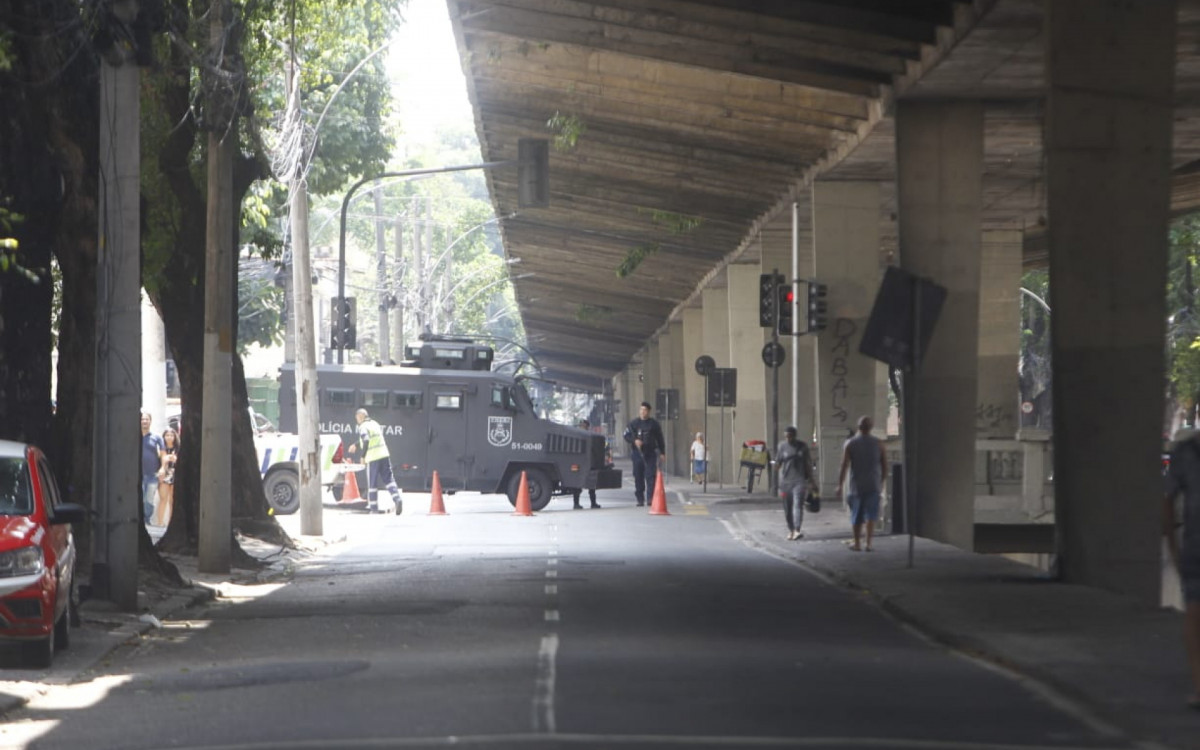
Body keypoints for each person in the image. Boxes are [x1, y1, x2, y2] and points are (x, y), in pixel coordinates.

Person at [1163, 428, 1200, 710]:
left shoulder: (1186, 452)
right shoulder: (1186, 453)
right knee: (1194, 615)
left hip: (1193, 547)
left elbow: (1167, 500)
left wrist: (1173, 543)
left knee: (1194, 615)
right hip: (1195, 549)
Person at [836, 416, 887, 552]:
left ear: (858, 427)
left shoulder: (850, 443)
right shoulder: (879, 443)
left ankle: (857, 543)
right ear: (871, 427)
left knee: (856, 515)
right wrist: (881, 482)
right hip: (873, 484)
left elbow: (844, 465)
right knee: (871, 515)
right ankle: (868, 544)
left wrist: (840, 484)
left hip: (856, 486)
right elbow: (884, 465)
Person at [347, 408, 402, 514]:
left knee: (372, 484)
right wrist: (356, 445)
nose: (357, 420)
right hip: (384, 455)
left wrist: (363, 456)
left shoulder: (363, 426)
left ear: (361, 416)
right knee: (389, 480)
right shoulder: (375, 424)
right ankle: (397, 499)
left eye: (357, 418)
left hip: (373, 458)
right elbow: (369, 438)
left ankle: (374, 509)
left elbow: (366, 439)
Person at [776, 426, 814, 541]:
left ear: (794, 435)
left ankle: (797, 529)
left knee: (798, 505)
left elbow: (808, 464)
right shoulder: (782, 446)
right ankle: (791, 529)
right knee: (787, 508)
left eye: (790, 436)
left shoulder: (803, 446)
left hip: (799, 480)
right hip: (786, 482)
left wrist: (811, 480)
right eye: (786, 436)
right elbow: (778, 463)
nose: (788, 439)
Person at [623, 401, 665, 507]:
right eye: (641, 409)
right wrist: (634, 440)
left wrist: (662, 452)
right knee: (638, 476)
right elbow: (626, 435)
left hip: (650, 453)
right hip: (637, 453)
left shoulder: (654, 424)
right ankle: (640, 499)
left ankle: (650, 498)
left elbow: (660, 438)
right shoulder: (633, 424)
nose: (643, 412)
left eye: (645, 410)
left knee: (650, 476)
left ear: (649, 411)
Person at [571, 419, 601, 509]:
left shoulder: (588, 436)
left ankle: (593, 503)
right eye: (581, 426)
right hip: (580, 463)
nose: (582, 427)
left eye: (584, 426)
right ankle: (576, 503)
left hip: (588, 463)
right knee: (577, 485)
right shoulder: (578, 436)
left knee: (591, 484)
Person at [140, 412, 165, 523]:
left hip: (152, 475)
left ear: (150, 421)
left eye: (147, 419)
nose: (144, 421)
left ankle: (147, 519)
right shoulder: (135, 436)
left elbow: (163, 454)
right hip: (138, 475)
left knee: (149, 500)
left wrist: (163, 468)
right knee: (139, 499)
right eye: (142, 419)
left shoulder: (157, 437)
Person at [153, 427, 180, 527]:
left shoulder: (178, 448)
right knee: (163, 499)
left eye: (171, 435)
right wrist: (167, 458)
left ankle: (170, 523)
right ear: (164, 437)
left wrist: (174, 459)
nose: (169, 437)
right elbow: (162, 459)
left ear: (175, 437)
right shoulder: (161, 448)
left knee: (172, 501)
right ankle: (160, 522)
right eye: (167, 435)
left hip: (175, 475)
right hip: (164, 474)